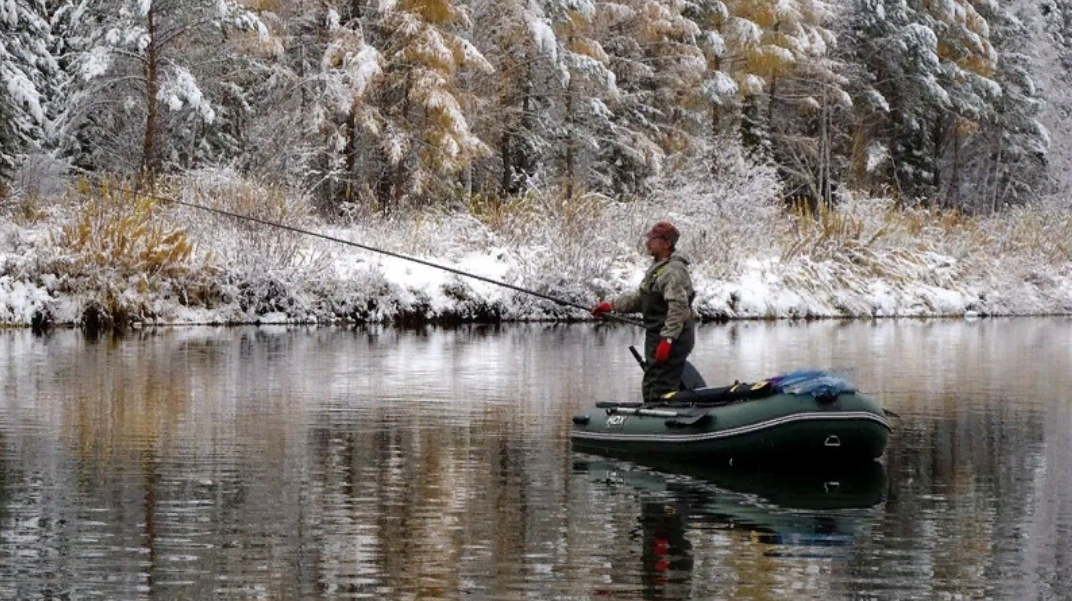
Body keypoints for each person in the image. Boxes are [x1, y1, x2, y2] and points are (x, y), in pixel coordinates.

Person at [592, 221, 696, 403]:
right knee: (651, 383)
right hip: (657, 337)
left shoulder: (674, 271)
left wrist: (668, 339)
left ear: (666, 243)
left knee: (660, 386)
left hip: (672, 339)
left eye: (652, 239)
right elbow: (641, 298)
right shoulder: (658, 268)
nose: (648, 243)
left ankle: (666, 424)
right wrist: (611, 306)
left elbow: (678, 307)